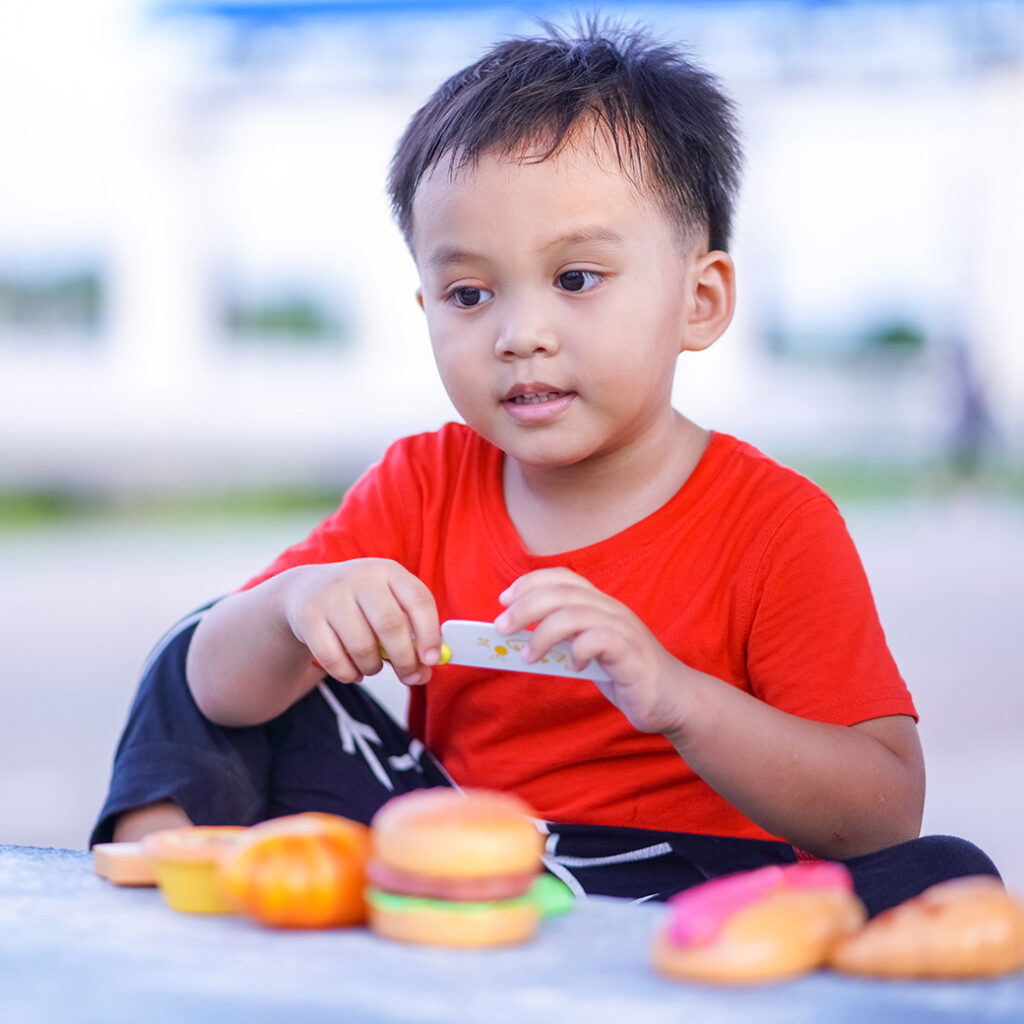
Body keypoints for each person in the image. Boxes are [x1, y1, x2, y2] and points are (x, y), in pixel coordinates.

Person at [93, 21, 998, 915]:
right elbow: (219, 688)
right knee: (209, 641)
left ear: (701, 299)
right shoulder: (424, 482)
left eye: (576, 278)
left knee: (942, 877)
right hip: (451, 863)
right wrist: (304, 606)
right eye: (469, 294)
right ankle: (167, 909)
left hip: (680, 895)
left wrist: (677, 696)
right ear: (427, 308)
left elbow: (883, 809)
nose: (519, 333)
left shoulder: (775, 523)